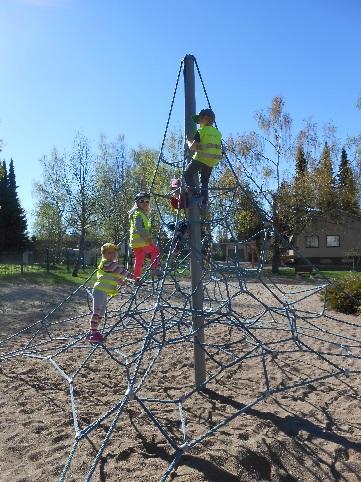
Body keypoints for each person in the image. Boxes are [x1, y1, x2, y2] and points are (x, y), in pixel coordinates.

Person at [88, 243, 135, 343]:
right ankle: (93, 333)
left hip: (104, 292)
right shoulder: (106, 263)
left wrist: (124, 283)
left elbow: (116, 277)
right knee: (96, 311)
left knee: (101, 313)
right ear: (104, 254)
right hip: (99, 290)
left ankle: (94, 331)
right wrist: (133, 277)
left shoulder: (111, 266)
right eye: (109, 253)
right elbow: (120, 271)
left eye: (114, 253)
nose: (112, 255)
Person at [185, 108, 222, 207]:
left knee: (187, 174)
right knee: (204, 182)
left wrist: (188, 142)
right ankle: (204, 202)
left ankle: (196, 195)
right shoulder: (218, 133)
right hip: (212, 161)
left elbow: (193, 147)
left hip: (201, 158)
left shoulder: (201, 131)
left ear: (205, 118)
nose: (199, 123)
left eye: (200, 120)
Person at [129, 192, 162, 283]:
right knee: (156, 251)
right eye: (142, 201)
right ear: (137, 202)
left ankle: (136, 279)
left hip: (135, 242)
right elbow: (139, 227)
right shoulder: (138, 214)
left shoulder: (139, 214)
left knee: (139, 260)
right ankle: (153, 269)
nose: (145, 203)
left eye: (147, 201)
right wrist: (147, 238)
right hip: (142, 240)